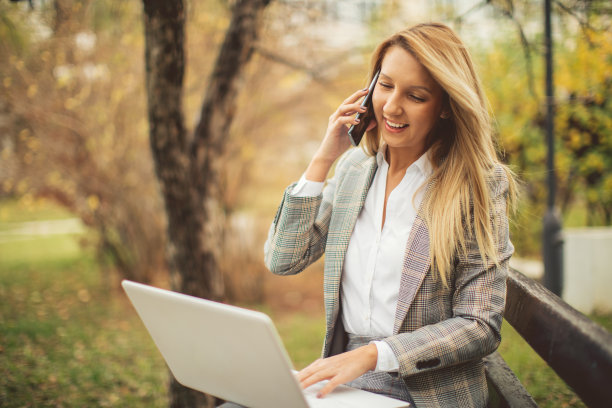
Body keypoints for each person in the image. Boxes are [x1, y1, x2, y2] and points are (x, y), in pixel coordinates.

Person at [263, 22, 516, 408]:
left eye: (415, 95)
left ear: (446, 106)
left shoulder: (477, 186)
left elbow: (479, 325)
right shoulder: (353, 171)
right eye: (385, 86)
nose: (392, 107)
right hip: (346, 386)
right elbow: (283, 259)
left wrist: (373, 355)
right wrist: (323, 158)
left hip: (426, 392)